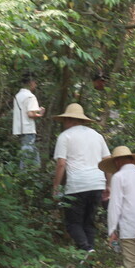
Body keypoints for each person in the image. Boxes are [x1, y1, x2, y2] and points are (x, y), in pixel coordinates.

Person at [52, 103, 110, 253]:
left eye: (65, 121)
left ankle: (86, 249)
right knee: (88, 223)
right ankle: (87, 261)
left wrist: (56, 188)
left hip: (77, 185)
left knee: (73, 224)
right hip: (97, 184)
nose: (64, 124)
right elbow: (107, 161)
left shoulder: (65, 136)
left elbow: (61, 164)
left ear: (70, 120)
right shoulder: (97, 136)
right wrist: (108, 185)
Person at [12, 73, 46, 170]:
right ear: (31, 83)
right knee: (27, 152)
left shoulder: (18, 95)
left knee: (28, 151)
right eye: (35, 82)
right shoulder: (31, 96)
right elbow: (30, 114)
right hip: (28, 129)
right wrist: (40, 114)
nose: (35, 84)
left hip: (19, 129)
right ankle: (25, 174)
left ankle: (32, 172)